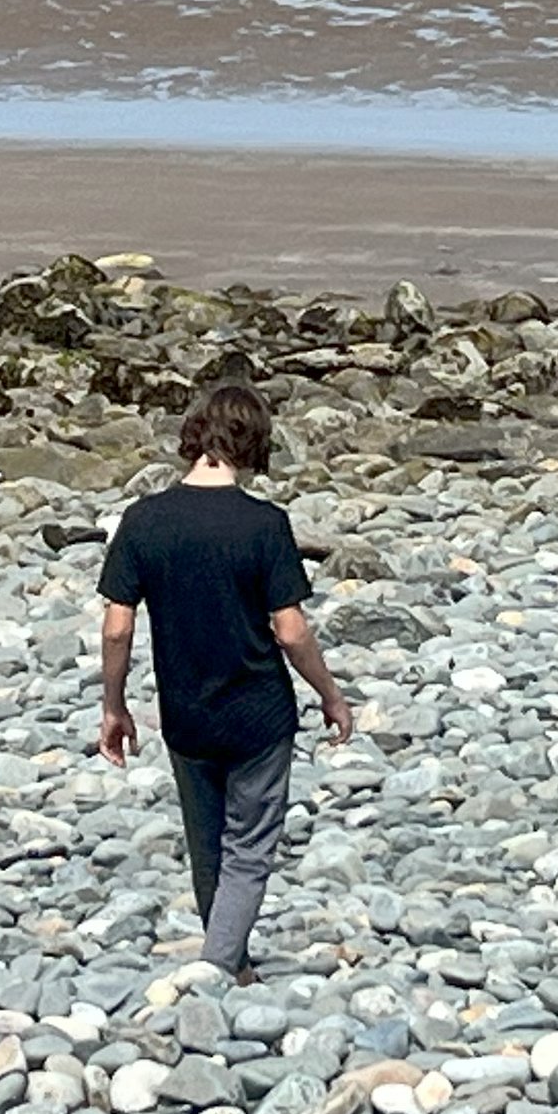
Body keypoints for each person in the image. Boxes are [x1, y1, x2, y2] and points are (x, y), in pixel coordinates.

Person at [97, 380, 352, 975]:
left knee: (208, 849)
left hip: (186, 713)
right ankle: (216, 968)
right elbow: (291, 631)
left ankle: (231, 966)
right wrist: (331, 695)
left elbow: (116, 627)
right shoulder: (264, 524)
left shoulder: (144, 520)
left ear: (194, 436)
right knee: (249, 850)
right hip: (258, 713)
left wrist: (114, 705)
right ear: (256, 442)